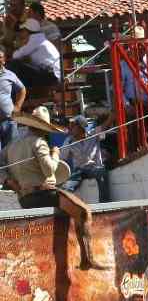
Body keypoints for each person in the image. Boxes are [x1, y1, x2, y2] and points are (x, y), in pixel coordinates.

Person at [7, 107, 108, 270]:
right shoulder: (39, 143)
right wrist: (54, 153)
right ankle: (87, 258)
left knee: (70, 207)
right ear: (42, 127)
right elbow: (49, 169)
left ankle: (84, 259)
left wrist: (10, 182)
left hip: (24, 198)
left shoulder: (13, 145)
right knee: (83, 212)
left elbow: (2, 165)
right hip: (44, 194)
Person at [60, 115, 111, 203]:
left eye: (73, 125)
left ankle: (104, 204)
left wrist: (112, 115)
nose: (70, 128)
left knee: (102, 173)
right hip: (79, 170)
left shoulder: (93, 134)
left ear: (81, 128)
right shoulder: (69, 141)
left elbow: (105, 126)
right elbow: (62, 158)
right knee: (65, 188)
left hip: (94, 168)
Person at [9, 18, 60, 91]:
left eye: (23, 30)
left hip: (50, 75)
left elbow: (16, 55)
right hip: (51, 73)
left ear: (27, 30)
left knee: (15, 64)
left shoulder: (35, 39)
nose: (21, 33)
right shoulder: (40, 38)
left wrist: (21, 44)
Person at [0, 46, 26, 149]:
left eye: (0, 57)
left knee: (11, 155)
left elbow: (22, 89)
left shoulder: (10, 75)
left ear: (4, 60)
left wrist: (18, 106)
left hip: (9, 122)